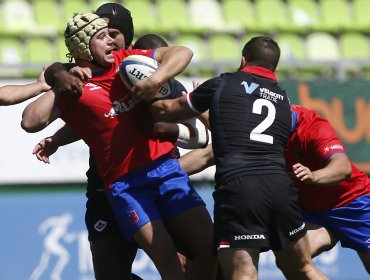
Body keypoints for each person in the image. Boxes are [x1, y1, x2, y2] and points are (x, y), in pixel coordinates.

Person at [21, 12, 216, 280]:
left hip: (166, 171)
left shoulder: (130, 63)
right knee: (167, 261)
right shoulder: (74, 87)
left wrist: (153, 81)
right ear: (82, 48)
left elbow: (183, 52)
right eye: (102, 37)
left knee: (209, 249)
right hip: (126, 187)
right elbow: (31, 121)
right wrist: (57, 82)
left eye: (112, 34)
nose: (111, 41)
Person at [147, 36, 328, 279]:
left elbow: (167, 111)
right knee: (303, 267)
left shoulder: (222, 85)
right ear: (275, 68)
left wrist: (145, 94)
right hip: (281, 189)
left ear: (243, 60)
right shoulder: (284, 101)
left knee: (242, 272)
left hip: (239, 190)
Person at [276, 104, 370, 275]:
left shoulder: (313, 126)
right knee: (289, 260)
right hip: (311, 211)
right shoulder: (259, 129)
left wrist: (314, 177)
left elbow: (342, 167)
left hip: (353, 203)